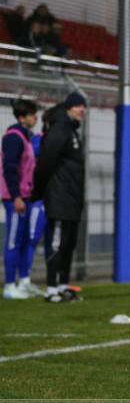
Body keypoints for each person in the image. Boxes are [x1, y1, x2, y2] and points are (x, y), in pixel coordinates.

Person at [32, 93, 87, 303]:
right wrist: (38, 191)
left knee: (68, 243)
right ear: (68, 108)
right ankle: (51, 290)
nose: (82, 109)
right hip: (59, 196)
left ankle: (63, 286)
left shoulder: (70, 130)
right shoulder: (60, 129)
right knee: (56, 243)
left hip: (71, 197)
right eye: (78, 106)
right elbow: (46, 162)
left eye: (84, 106)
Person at [1, 99, 43, 299]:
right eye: (33, 114)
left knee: (25, 239)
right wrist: (16, 196)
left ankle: (24, 281)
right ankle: (9, 285)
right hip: (15, 198)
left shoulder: (26, 137)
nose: (36, 117)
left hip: (25, 196)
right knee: (13, 241)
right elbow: (9, 169)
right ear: (22, 117)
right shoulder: (13, 138)